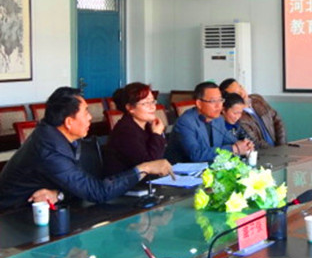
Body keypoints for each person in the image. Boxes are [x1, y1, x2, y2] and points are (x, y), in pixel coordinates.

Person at [0, 87, 173, 211]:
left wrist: (58, 194)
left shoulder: (58, 136)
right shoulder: (50, 150)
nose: (91, 117)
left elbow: (79, 183)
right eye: (86, 112)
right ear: (69, 122)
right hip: (13, 217)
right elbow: (96, 192)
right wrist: (145, 168)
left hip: (43, 209)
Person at [165, 81, 253, 163]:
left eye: (220, 100)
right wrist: (234, 149)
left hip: (209, 168)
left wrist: (245, 145)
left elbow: (230, 140)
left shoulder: (218, 119)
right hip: (182, 171)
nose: (218, 106)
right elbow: (196, 155)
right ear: (199, 103)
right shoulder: (185, 122)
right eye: (213, 101)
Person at [102, 82, 166, 176]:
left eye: (153, 101)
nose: (152, 107)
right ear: (130, 108)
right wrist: (157, 134)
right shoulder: (125, 131)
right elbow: (149, 165)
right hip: (125, 183)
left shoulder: (147, 126)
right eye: (145, 103)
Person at [219, 78, 287, 149]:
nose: (242, 93)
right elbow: (255, 141)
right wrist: (275, 151)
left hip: (278, 146)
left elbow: (276, 118)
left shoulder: (257, 99)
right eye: (237, 93)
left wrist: (282, 146)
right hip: (265, 151)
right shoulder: (238, 117)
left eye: (240, 88)